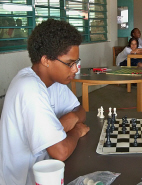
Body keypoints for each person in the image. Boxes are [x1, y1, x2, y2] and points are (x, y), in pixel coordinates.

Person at [0, 19, 90, 185]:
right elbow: (60, 151)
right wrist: (76, 131)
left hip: (47, 171)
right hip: (25, 180)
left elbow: (80, 110)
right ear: (46, 60)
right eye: (70, 64)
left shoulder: (56, 82)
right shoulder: (29, 87)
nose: (75, 69)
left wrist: (72, 117)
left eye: (76, 63)